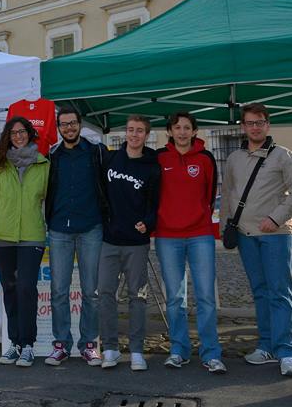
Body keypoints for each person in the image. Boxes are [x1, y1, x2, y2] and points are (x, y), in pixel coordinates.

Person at [221, 103, 292, 376]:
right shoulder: (234, 159)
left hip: (276, 234)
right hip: (246, 236)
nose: (255, 127)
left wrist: (277, 218)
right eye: (250, 123)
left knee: (281, 293)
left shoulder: (283, 156)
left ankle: (286, 351)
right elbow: (229, 194)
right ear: (243, 126)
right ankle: (266, 345)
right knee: (260, 292)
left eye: (260, 122)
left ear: (267, 125)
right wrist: (226, 228)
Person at [154, 112, 225, 373]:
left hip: (200, 234)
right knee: (174, 298)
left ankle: (211, 353)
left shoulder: (205, 159)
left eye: (187, 128)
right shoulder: (159, 158)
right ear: (170, 132)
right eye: (177, 128)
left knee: (206, 296)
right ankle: (178, 350)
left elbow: (210, 196)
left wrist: (197, 217)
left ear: (194, 132)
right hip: (167, 236)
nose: (182, 132)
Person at [0, 117, 49, 368]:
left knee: (26, 288)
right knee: (10, 289)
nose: (18, 136)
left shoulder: (44, 165)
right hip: (2, 237)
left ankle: (28, 345)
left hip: (32, 236)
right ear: (8, 137)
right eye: (13, 132)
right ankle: (15, 344)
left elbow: (49, 201)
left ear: (30, 134)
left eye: (22, 132)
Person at [44, 105, 109, 367]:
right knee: (58, 290)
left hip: (91, 227)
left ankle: (89, 344)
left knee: (91, 291)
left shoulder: (96, 153)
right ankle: (61, 345)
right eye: (64, 124)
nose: (68, 128)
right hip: (59, 228)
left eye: (72, 123)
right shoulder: (52, 156)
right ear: (58, 128)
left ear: (80, 125)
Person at [98, 114, 160, 372]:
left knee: (138, 297)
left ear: (146, 135)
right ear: (125, 133)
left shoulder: (151, 166)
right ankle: (110, 348)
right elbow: (100, 193)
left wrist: (148, 222)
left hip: (137, 242)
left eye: (139, 131)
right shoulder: (111, 159)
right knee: (105, 294)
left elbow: (154, 203)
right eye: (130, 130)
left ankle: (136, 350)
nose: (134, 135)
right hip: (110, 240)